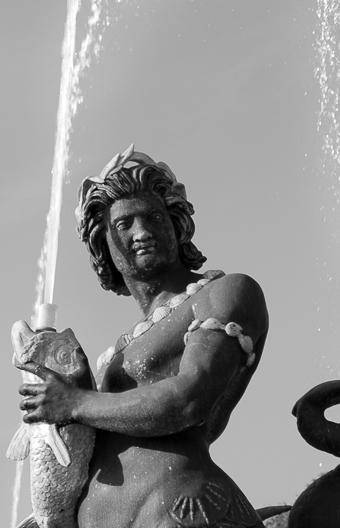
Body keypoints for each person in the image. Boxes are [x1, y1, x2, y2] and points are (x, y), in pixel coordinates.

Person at [18, 146, 267, 528]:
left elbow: (189, 398)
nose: (142, 232)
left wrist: (76, 402)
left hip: (181, 512)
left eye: (153, 216)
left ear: (176, 222)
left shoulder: (224, 293)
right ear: (105, 244)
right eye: (124, 224)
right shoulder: (117, 352)